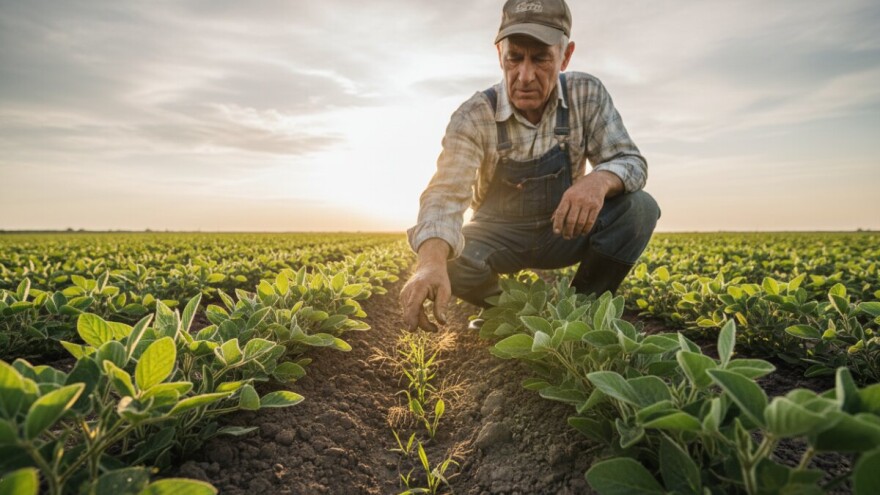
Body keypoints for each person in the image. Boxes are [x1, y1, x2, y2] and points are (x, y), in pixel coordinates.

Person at [400, 0, 660, 332]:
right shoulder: (474, 115)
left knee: (639, 209)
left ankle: (580, 314)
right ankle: (512, 313)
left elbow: (630, 161)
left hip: (562, 229)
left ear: (565, 56)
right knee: (444, 257)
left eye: (540, 59)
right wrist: (430, 264)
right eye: (514, 58)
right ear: (499, 54)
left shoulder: (587, 94)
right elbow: (445, 194)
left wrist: (599, 180)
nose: (524, 76)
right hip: (497, 237)